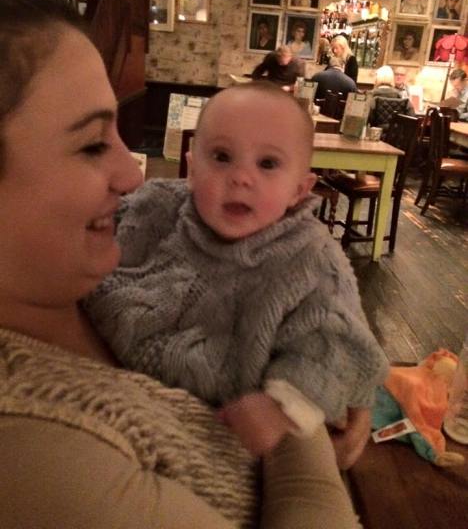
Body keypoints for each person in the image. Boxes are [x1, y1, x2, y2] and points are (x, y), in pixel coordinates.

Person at [0, 0, 362, 529]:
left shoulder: (82, 272)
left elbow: (316, 328)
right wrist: (303, 434)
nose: (131, 175)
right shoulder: (37, 453)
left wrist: (321, 376)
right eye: (92, 143)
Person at [85, 81, 389, 461]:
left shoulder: (311, 258)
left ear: (299, 190)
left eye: (267, 164)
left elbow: (337, 345)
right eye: (222, 156)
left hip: (219, 430)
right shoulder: (156, 207)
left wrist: (283, 407)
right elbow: (91, 238)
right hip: (112, 392)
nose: (241, 177)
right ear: (192, 168)